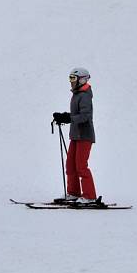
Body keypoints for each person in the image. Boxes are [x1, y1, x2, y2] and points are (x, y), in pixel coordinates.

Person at [53, 67, 97, 204]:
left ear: (82, 79)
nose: (71, 82)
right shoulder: (77, 94)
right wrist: (64, 117)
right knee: (70, 165)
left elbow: (85, 116)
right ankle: (73, 193)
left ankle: (90, 196)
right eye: (70, 78)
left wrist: (69, 118)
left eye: (73, 78)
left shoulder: (85, 95)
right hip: (75, 135)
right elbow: (75, 115)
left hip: (84, 136)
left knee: (81, 166)